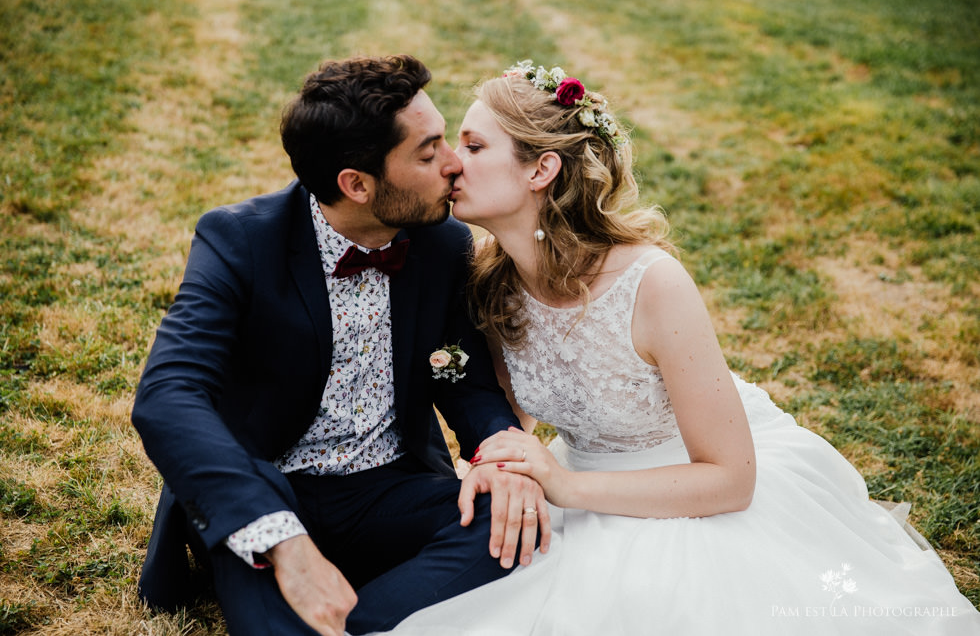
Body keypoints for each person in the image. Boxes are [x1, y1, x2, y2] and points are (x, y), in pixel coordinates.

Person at [368, 61, 980, 634]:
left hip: (695, 492)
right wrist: (505, 464)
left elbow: (732, 480)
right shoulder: (489, 276)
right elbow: (512, 413)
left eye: (473, 147)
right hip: (574, 483)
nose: (450, 164)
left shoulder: (650, 284)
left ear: (540, 170)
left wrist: (567, 488)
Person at [130, 54, 551, 636]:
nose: (455, 165)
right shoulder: (238, 240)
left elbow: (465, 380)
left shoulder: (442, 243)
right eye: (428, 154)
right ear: (356, 184)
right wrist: (286, 543)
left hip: (391, 486)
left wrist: (500, 458)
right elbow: (167, 396)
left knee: (511, 522)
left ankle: (355, 623)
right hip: (269, 491)